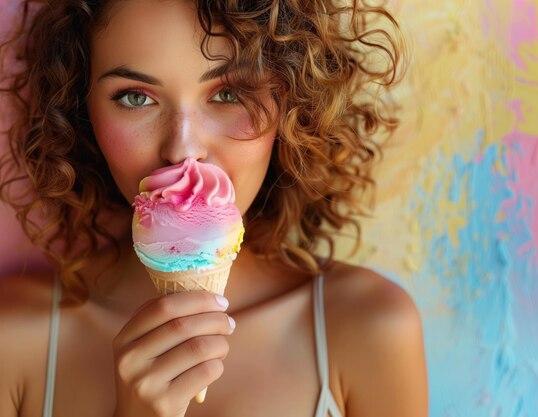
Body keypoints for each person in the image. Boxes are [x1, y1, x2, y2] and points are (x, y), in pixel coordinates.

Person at [0, 0, 428, 416]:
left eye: (228, 93)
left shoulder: (371, 331)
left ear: (289, 102)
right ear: (82, 109)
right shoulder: (13, 340)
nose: (183, 149)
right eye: (134, 98)